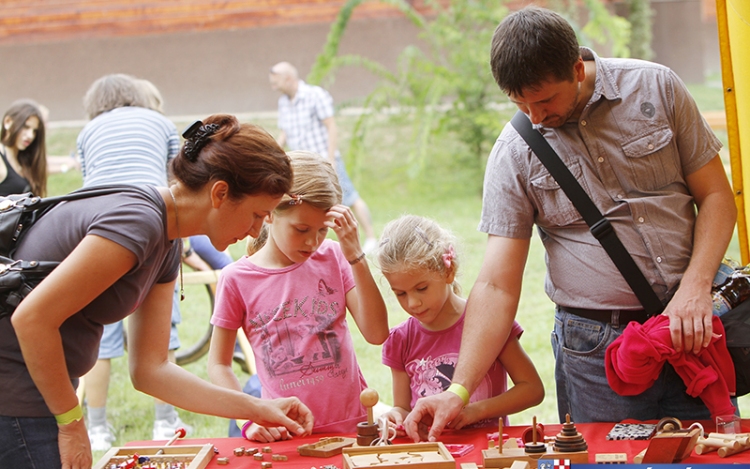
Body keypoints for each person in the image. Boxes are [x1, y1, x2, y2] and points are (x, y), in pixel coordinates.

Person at [404, 6, 737, 442]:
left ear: (577, 68)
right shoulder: (514, 151)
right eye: (519, 103)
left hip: (691, 329)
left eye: (543, 100)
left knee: (713, 453)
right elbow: (496, 285)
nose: (534, 116)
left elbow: (716, 196)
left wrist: (695, 290)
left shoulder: (657, 87)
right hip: (595, 353)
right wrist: (460, 389)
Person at [0, 114, 313, 469]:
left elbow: (151, 369)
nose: (256, 230)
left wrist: (256, 407)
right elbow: (32, 319)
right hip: (16, 400)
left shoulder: (167, 238)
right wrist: (71, 422)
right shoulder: (139, 222)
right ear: (220, 193)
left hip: (37, 396)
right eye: (257, 214)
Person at [207, 150, 389, 443]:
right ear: (269, 213)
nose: (312, 242)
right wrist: (249, 418)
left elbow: (377, 333)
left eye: (321, 231)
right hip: (285, 432)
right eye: (301, 229)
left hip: (351, 428)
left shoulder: (335, 258)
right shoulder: (237, 279)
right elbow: (218, 364)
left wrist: (356, 256)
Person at [76, 73, 192, 450]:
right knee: (161, 330)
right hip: (152, 221)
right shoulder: (159, 122)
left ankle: (96, 427)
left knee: (100, 332)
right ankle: (165, 420)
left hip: (97, 228)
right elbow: (177, 183)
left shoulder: (87, 131)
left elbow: (88, 182)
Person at [377, 215, 543, 435]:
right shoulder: (400, 339)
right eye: (400, 294)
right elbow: (403, 407)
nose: (413, 303)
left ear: (448, 270)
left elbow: (532, 389)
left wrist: (476, 411)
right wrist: (396, 416)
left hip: (487, 451)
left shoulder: (488, 323)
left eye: (422, 288)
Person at [269, 61, 378, 254]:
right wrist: (273, 154)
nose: (273, 86)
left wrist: (331, 159)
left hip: (325, 161)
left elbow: (331, 126)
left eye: (276, 82)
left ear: (288, 78)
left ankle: (371, 238)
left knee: (349, 197)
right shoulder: (283, 102)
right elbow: (284, 132)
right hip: (303, 166)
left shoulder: (314, 95)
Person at [1, 99, 48, 197]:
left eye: (34, 131)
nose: (30, 135)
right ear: (8, 122)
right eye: (26, 127)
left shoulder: (23, 159)